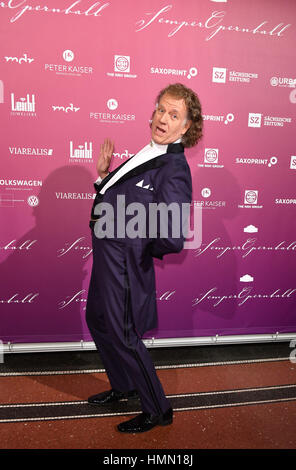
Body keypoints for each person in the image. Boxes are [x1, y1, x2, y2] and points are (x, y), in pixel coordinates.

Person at [86, 83, 203, 433]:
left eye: (174, 114)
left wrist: (131, 244)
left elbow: (171, 235)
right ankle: (123, 386)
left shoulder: (174, 167)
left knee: (123, 333)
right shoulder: (149, 152)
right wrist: (104, 177)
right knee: (97, 319)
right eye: (161, 109)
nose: (163, 118)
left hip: (122, 262)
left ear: (186, 127)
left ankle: (158, 409)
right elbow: (130, 198)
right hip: (107, 257)